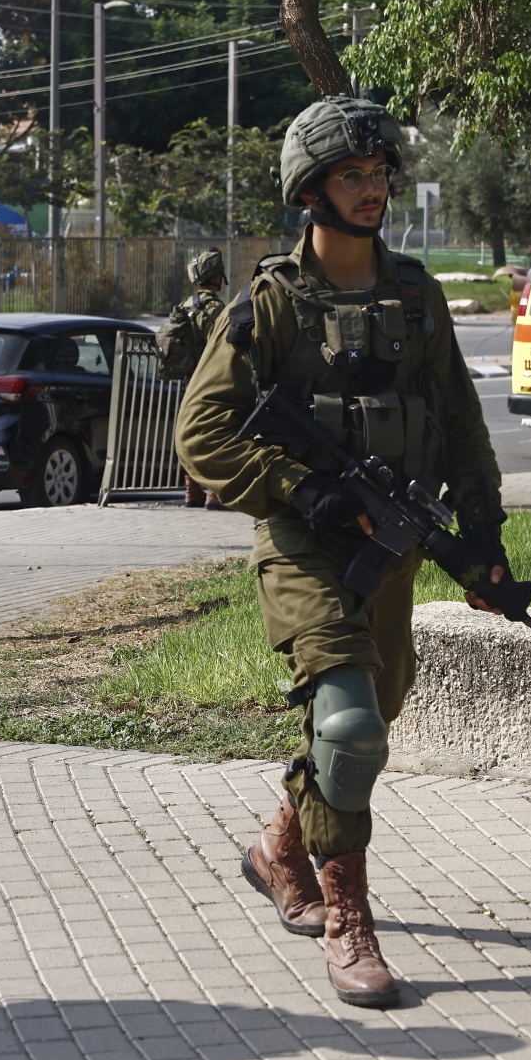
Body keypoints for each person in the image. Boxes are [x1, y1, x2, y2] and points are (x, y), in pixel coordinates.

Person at [176, 99, 506, 1009]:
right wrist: (300, 486)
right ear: (310, 189)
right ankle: (348, 920)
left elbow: (464, 432)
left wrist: (483, 544)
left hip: (392, 544)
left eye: (380, 173)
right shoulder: (268, 304)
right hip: (303, 546)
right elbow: (200, 435)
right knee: (351, 728)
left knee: (364, 722)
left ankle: (281, 845)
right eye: (353, 175)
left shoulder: (416, 296)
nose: (374, 189)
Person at [161, 249, 228, 508]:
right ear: (216, 276)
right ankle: (214, 492)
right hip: (212, 381)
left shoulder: (186, 306)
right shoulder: (214, 307)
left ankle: (192, 491)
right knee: (216, 433)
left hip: (190, 382)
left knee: (191, 435)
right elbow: (223, 344)